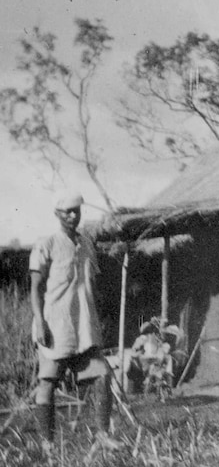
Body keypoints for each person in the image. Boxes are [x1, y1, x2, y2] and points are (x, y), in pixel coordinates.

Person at [29, 191, 123, 452]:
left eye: (76, 211)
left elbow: (92, 283)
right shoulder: (45, 244)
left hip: (83, 325)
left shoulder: (86, 244)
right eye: (67, 211)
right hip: (54, 324)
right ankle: (47, 443)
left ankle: (103, 434)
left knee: (103, 375)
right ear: (57, 215)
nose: (72, 215)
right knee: (48, 381)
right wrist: (39, 322)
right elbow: (35, 288)